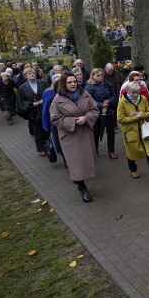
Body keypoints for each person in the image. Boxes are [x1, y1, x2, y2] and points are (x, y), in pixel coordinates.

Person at [49, 71, 99, 203]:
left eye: (74, 81)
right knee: (76, 164)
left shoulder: (85, 94)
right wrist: (74, 122)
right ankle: (82, 187)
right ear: (63, 84)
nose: (73, 84)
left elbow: (95, 110)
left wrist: (86, 118)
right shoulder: (57, 100)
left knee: (86, 161)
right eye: (69, 82)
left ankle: (82, 182)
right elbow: (55, 118)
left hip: (85, 133)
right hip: (70, 135)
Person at [117, 81, 149, 181]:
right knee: (131, 152)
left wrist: (143, 114)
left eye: (137, 92)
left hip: (144, 130)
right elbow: (120, 119)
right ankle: (133, 170)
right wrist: (134, 118)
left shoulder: (142, 99)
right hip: (130, 132)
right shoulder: (122, 102)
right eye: (133, 92)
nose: (135, 95)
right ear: (128, 91)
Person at [85, 68, 118, 159]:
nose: (100, 77)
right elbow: (88, 100)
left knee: (111, 132)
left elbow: (114, 96)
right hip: (96, 113)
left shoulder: (107, 84)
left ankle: (111, 151)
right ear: (93, 75)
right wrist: (100, 105)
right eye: (98, 75)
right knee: (96, 132)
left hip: (108, 111)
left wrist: (109, 101)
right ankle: (95, 150)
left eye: (101, 75)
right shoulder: (89, 86)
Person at [16, 67, 48, 156]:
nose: (32, 74)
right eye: (29, 73)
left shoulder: (43, 83)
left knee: (47, 129)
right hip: (33, 112)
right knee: (37, 131)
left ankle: (50, 145)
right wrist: (31, 104)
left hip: (45, 109)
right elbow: (21, 101)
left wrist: (44, 100)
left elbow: (50, 93)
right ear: (25, 76)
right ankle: (41, 148)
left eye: (33, 72)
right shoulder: (22, 88)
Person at [42, 74, 66, 166]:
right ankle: (64, 158)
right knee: (58, 142)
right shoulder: (47, 93)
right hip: (55, 122)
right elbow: (45, 109)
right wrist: (46, 125)